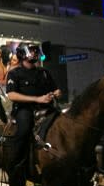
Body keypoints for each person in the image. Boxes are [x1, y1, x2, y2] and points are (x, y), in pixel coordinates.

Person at [5, 43, 62, 174]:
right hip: (24, 109)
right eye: (32, 51)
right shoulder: (14, 73)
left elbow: (56, 89)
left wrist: (56, 93)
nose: (35, 53)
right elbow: (11, 95)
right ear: (22, 53)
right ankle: (15, 164)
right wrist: (37, 99)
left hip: (46, 108)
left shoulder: (44, 72)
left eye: (36, 51)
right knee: (24, 130)